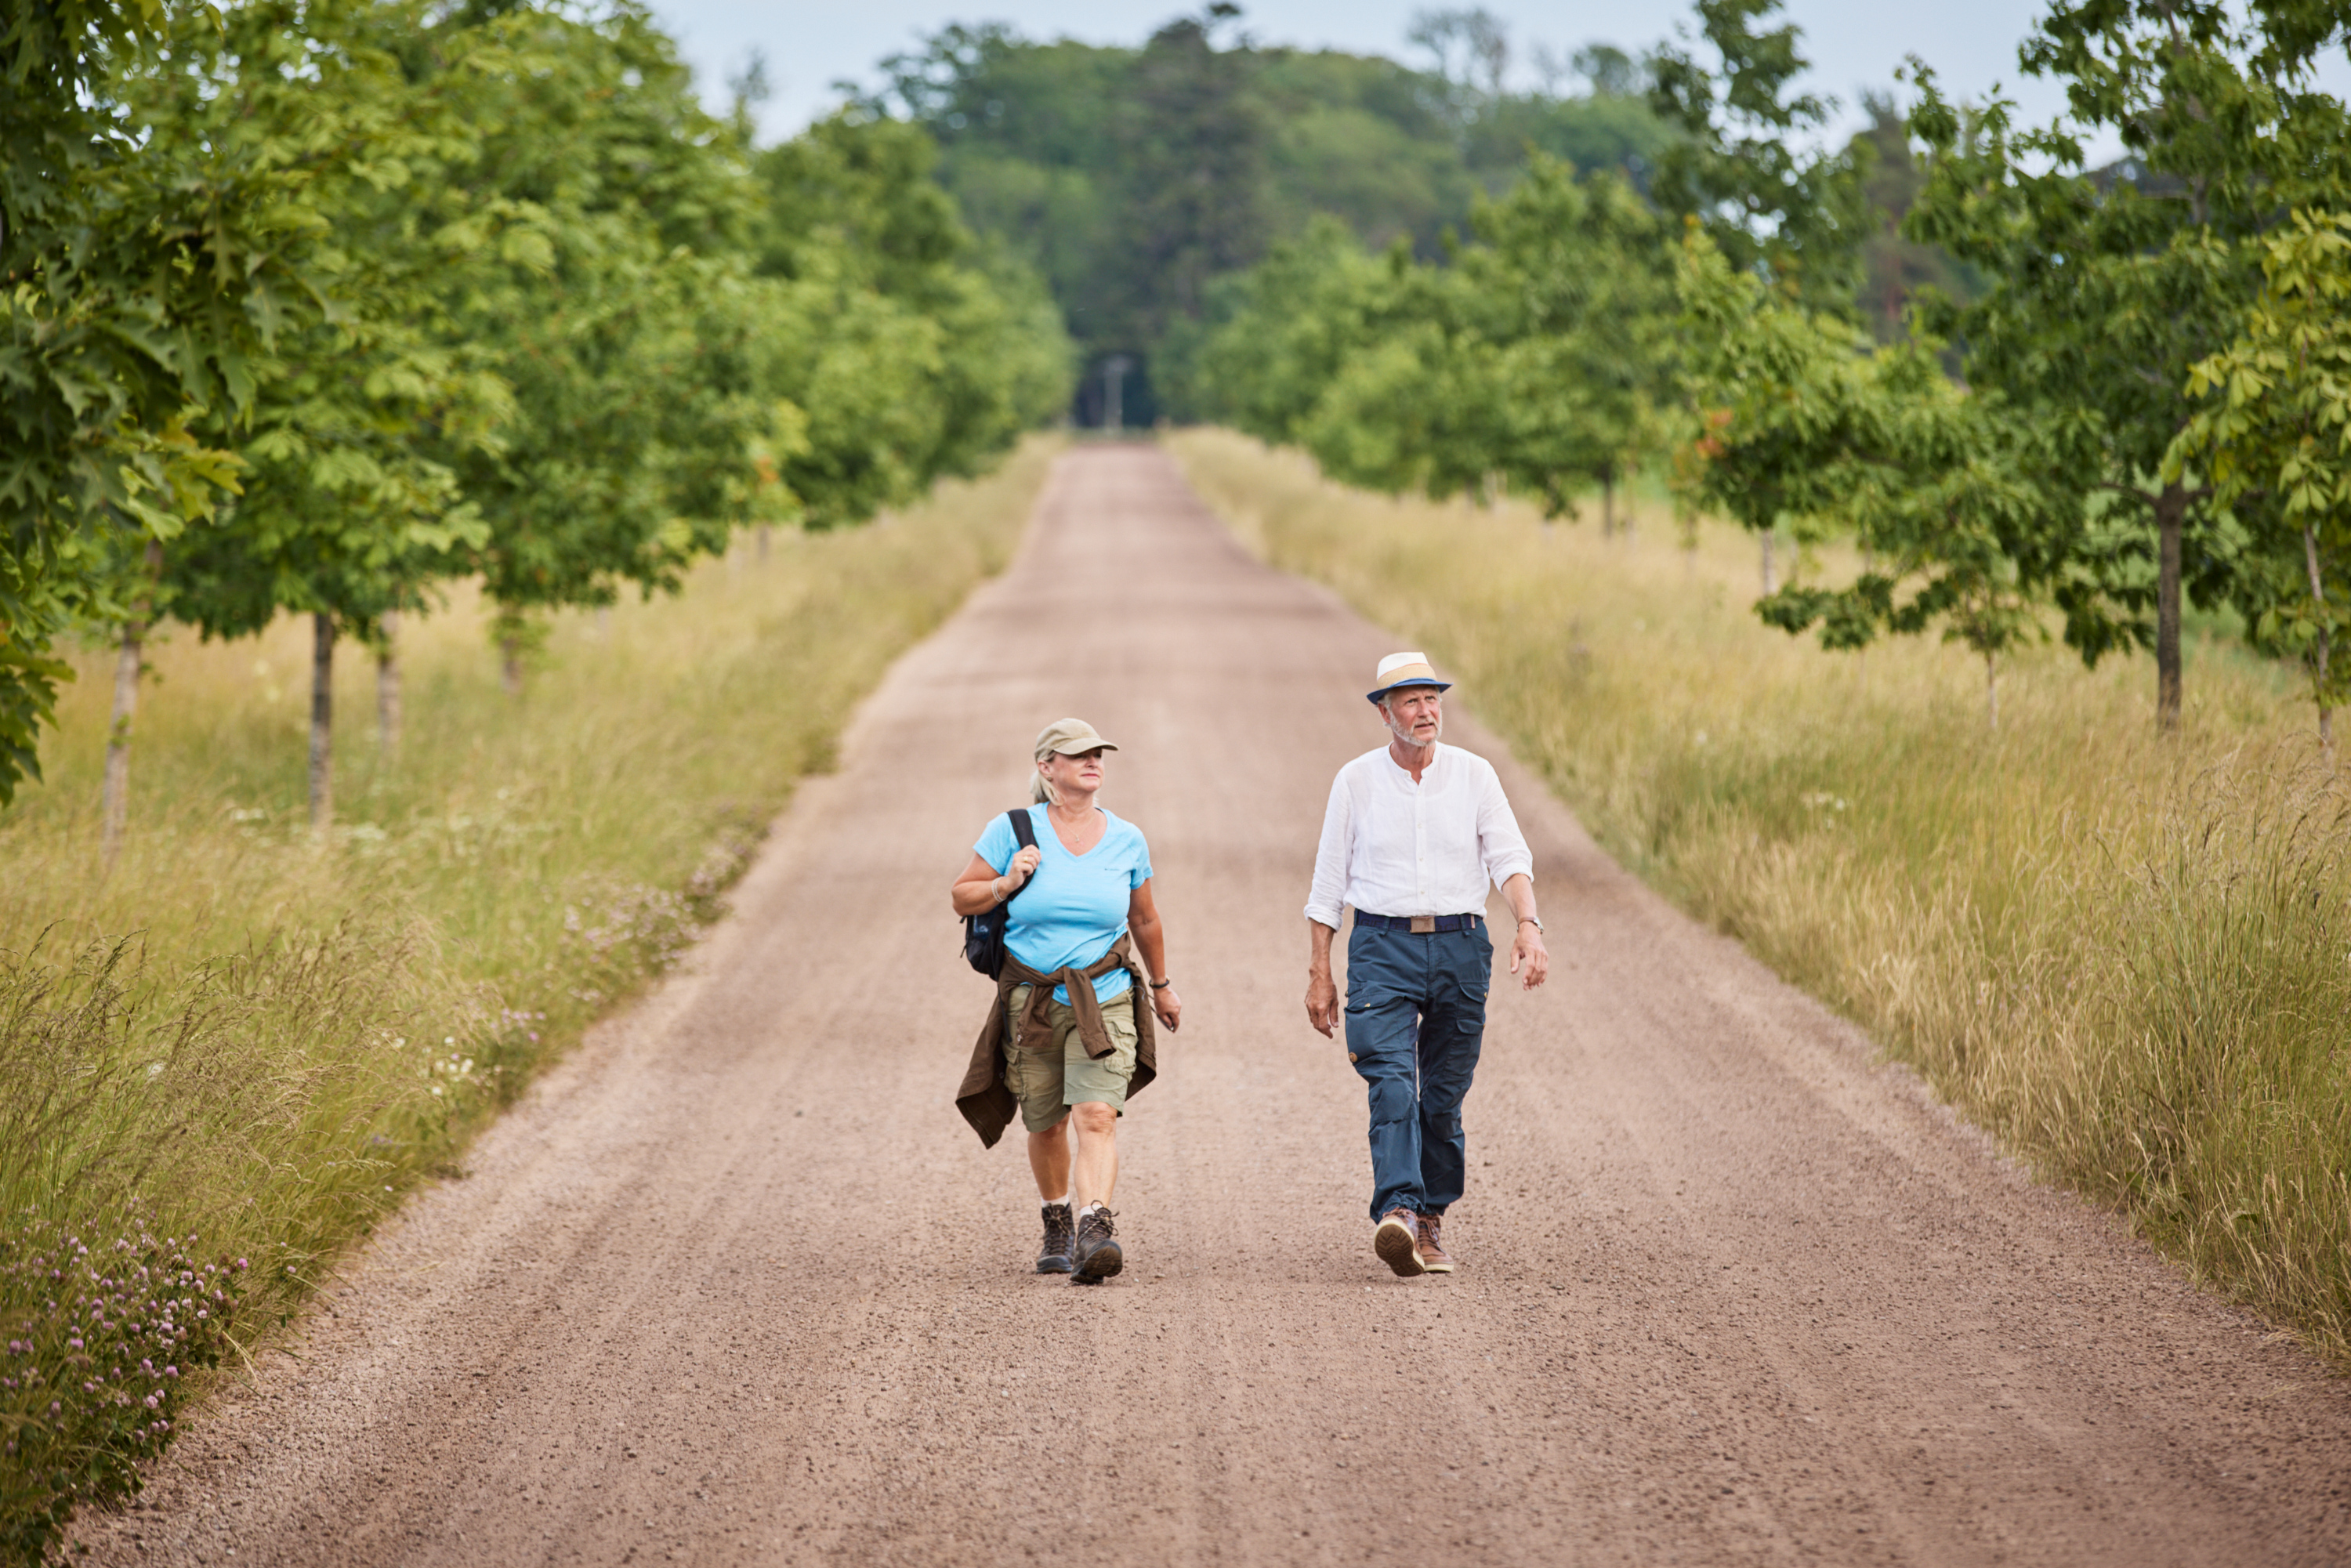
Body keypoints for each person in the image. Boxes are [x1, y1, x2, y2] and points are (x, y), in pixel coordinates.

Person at [1303, 652, 1549, 1276]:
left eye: (1432, 698)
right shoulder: (1355, 780)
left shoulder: (1474, 775)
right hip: (1382, 947)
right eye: (1410, 701)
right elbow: (1329, 882)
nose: (1425, 711)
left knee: (1441, 1096)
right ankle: (1401, 1211)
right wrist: (1320, 970)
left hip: (1462, 945)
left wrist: (1527, 923)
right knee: (1390, 1080)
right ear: (1384, 712)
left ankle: (1432, 1215)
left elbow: (1508, 855)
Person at [952, 719, 1182, 1284]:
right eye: (1078, 754)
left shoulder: (1127, 837)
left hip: (1103, 995)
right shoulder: (1013, 829)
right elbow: (962, 893)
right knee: (1047, 1122)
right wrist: (1006, 882)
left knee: (1097, 1113)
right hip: (1032, 998)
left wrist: (1161, 985)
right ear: (1046, 767)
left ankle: (1094, 1224)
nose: (1093, 761)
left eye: (1098, 753)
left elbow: (1144, 917)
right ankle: (1056, 1218)